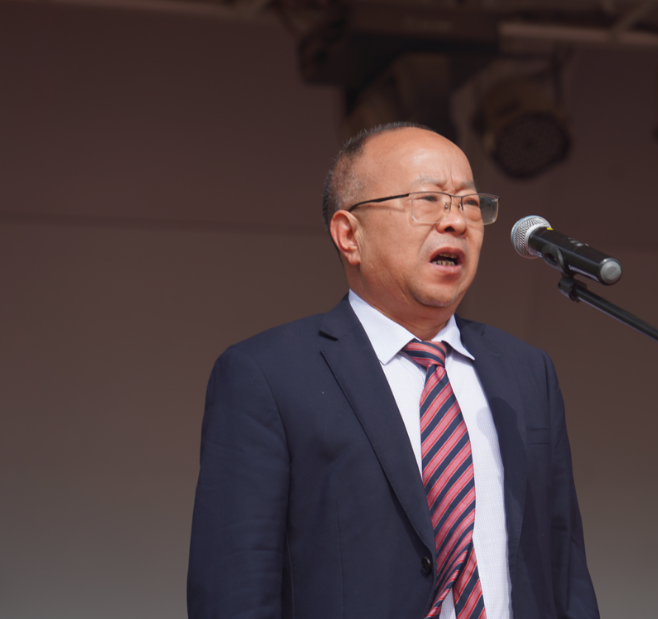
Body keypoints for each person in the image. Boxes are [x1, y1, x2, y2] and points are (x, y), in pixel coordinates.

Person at [187, 122, 600, 619]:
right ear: (349, 235)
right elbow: (234, 592)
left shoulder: (527, 372)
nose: (456, 222)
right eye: (428, 200)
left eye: (470, 203)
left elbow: (565, 571)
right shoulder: (268, 375)